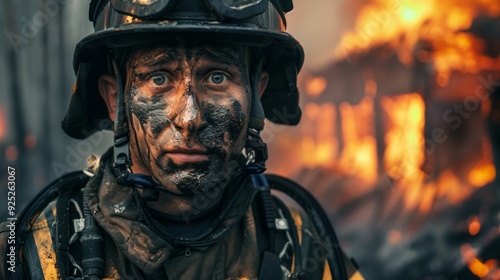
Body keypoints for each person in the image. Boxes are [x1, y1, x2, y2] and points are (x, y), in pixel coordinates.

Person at [1, 0, 364, 279]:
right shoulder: (38, 252)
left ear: (257, 94)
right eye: (158, 79)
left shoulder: (298, 248)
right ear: (116, 100)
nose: (189, 118)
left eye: (218, 78)